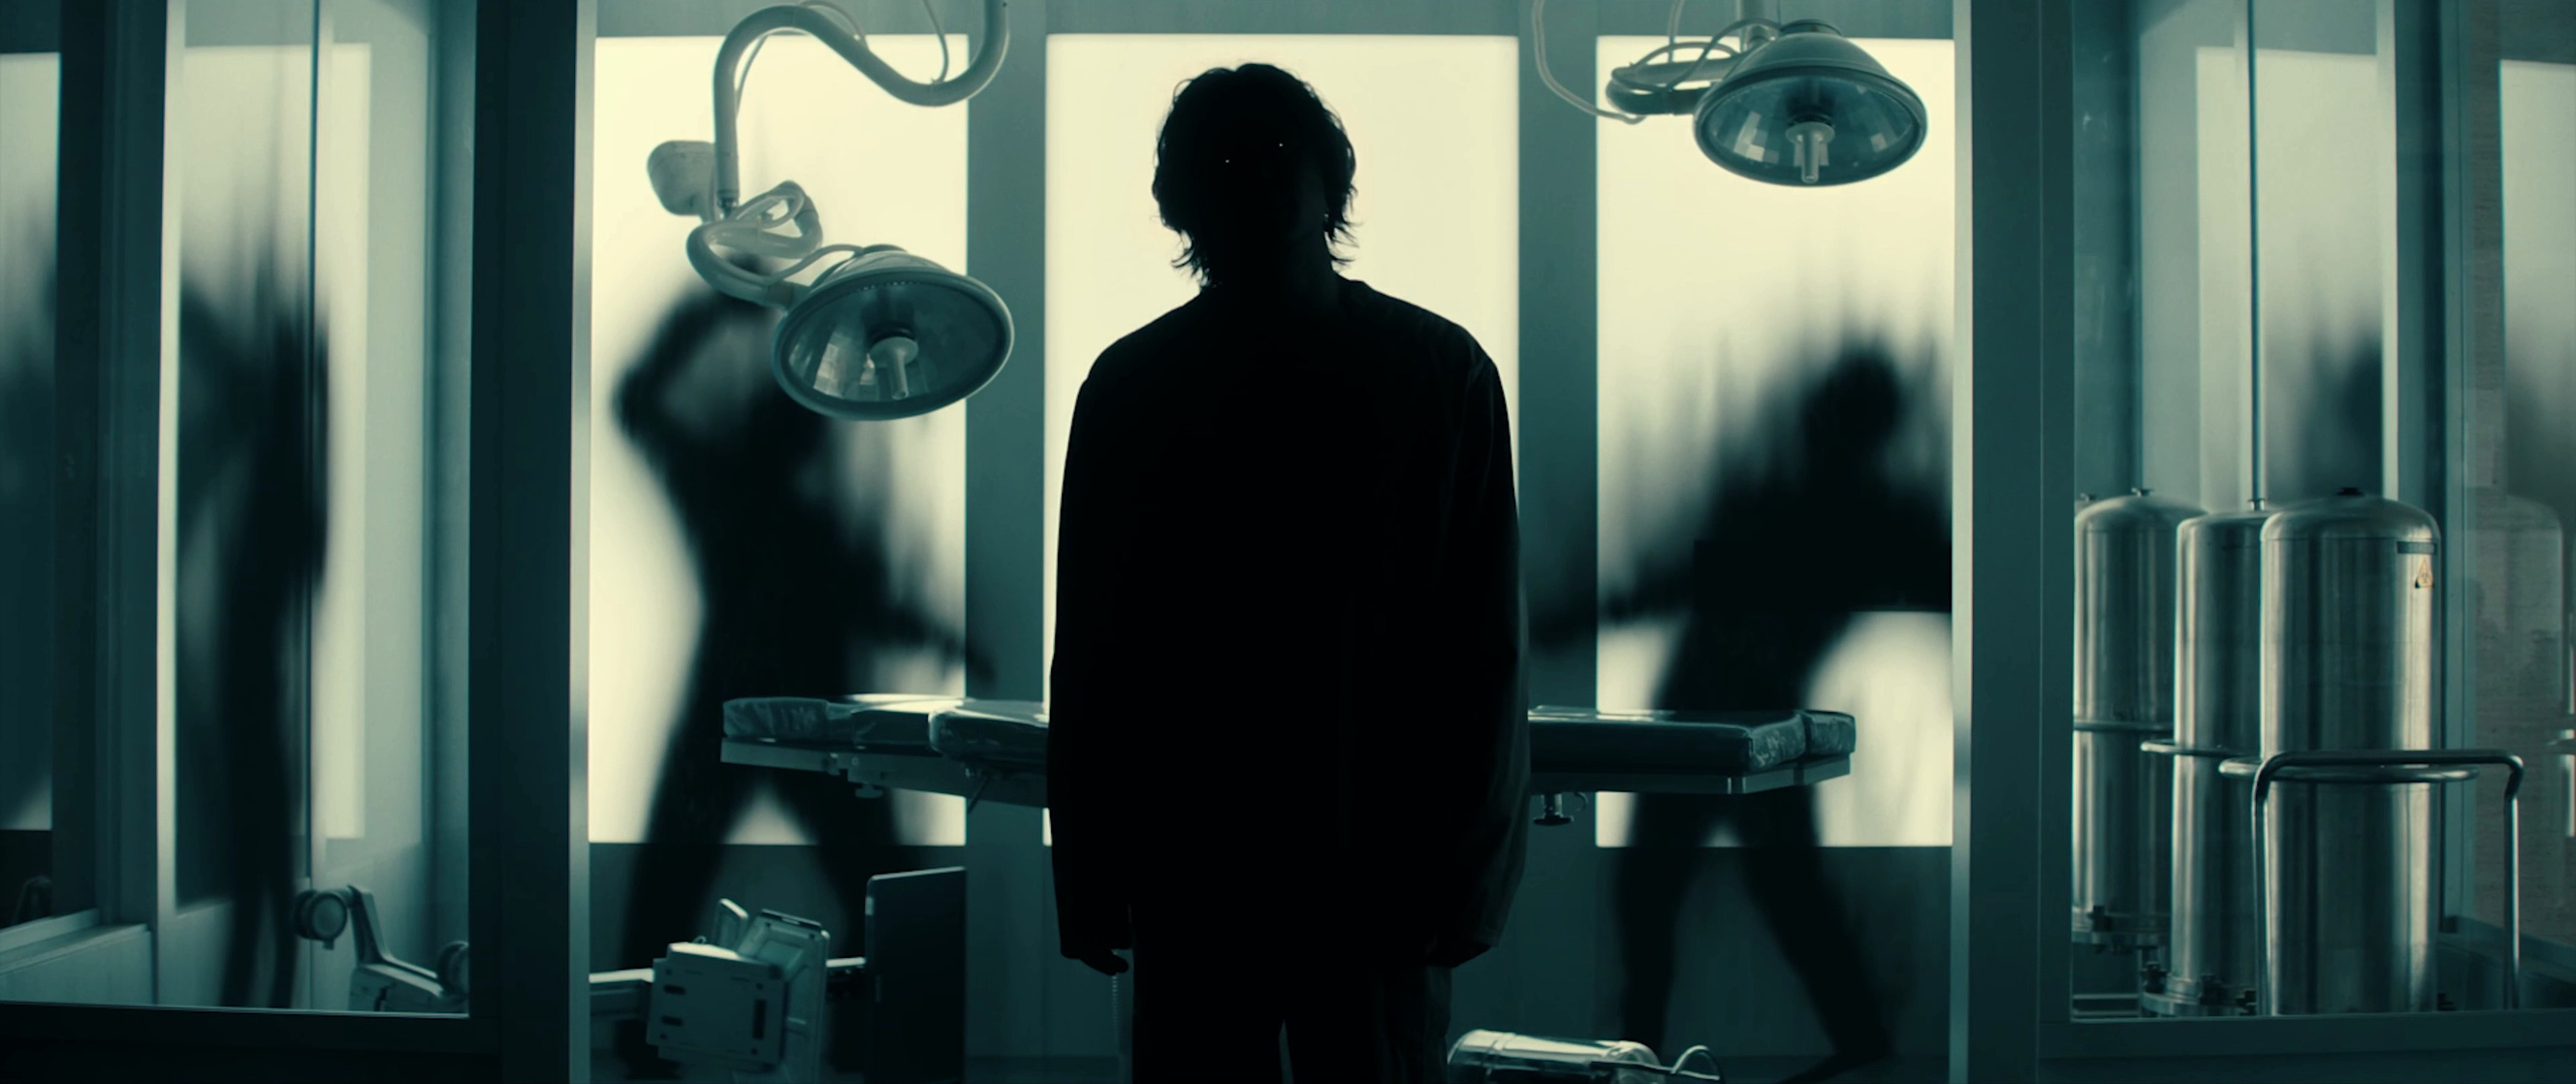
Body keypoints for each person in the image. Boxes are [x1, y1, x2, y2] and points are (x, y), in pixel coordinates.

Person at [1046, 63, 1530, 1084]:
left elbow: (1484, 644)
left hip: (1247, 851)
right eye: (1227, 161)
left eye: (1268, 154)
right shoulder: (1431, 369)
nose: (1252, 178)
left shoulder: (1139, 384)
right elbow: (1092, 650)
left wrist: (1087, 874)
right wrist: (1473, 872)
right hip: (1326, 850)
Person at [611, 289, 970, 1078]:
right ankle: (862, 1043)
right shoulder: (758, 501)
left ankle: (653, 1043)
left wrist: (713, 311)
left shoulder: (742, 497)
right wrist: (716, 307)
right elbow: (635, 404)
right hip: (780, 718)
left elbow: (637, 404)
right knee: (873, 879)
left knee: (685, 879)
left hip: (759, 715)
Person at [1597, 351, 1943, 1084]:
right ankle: (1852, 1042)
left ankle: (1640, 1055)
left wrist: (1577, 612)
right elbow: (1678, 584)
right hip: (1739, 731)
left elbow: (1673, 585)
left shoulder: (1804, 504)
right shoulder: (1866, 516)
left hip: (1707, 727)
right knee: (1752, 901)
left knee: (1665, 901)